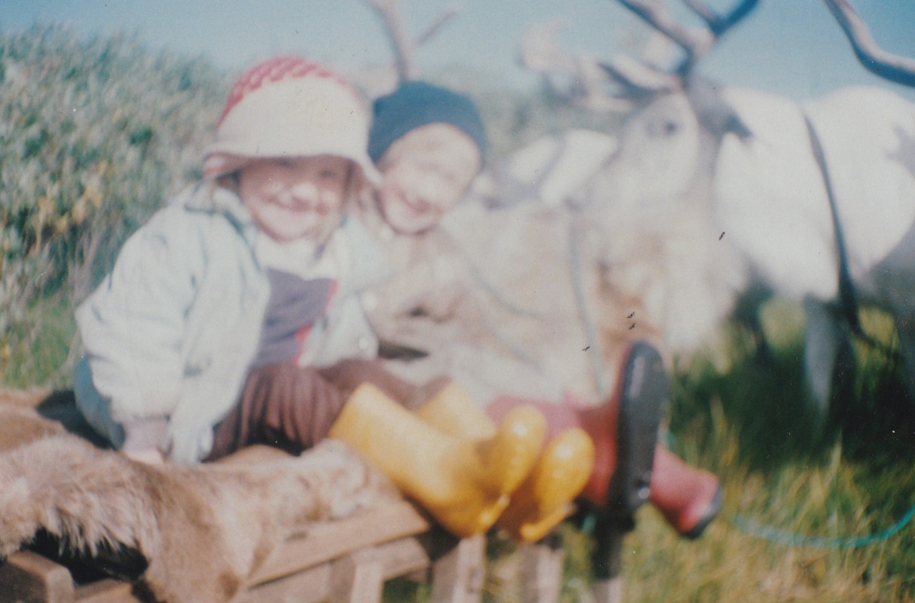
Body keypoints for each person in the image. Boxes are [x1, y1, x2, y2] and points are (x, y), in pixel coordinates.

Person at [71, 57, 548, 538]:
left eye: (327, 176)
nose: (305, 191)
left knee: (361, 373)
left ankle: (498, 467)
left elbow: (345, 327)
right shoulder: (190, 233)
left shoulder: (325, 246)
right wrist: (144, 435)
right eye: (285, 162)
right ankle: (444, 477)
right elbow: (135, 328)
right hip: (189, 413)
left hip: (261, 401)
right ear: (240, 159)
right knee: (288, 387)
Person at [343, 81, 721, 542]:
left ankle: (624, 453)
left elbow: (457, 306)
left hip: (423, 361)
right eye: (424, 168)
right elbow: (364, 306)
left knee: (514, 371)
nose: (428, 192)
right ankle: (613, 462)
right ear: (379, 157)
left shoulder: (435, 238)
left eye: (450, 182)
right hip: (360, 372)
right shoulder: (345, 220)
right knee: (457, 378)